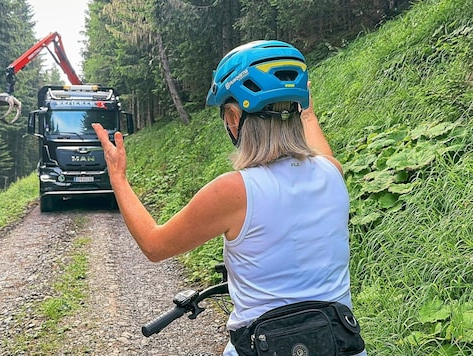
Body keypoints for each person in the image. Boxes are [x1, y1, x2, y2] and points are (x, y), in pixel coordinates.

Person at [93, 40, 366, 356]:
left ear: (234, 118)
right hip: (341, 345)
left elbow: (155, 245)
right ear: (298, 108)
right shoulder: (332, 172)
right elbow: (309, 125)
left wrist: (118, 178)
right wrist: (302, 110)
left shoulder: (235, 191)